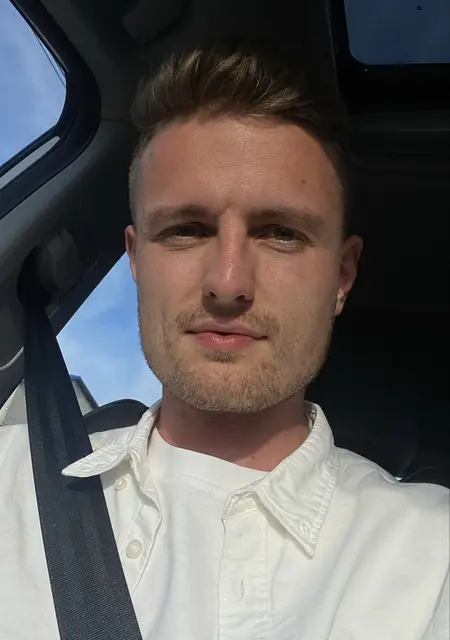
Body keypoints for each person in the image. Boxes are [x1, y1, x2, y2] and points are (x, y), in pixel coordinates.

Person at [0, 42, 448, 640]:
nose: (229, 283)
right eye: (186, 230)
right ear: (135, 258)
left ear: (342, 277)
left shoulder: (433, 558)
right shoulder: (10, 481)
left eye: (281, 233)